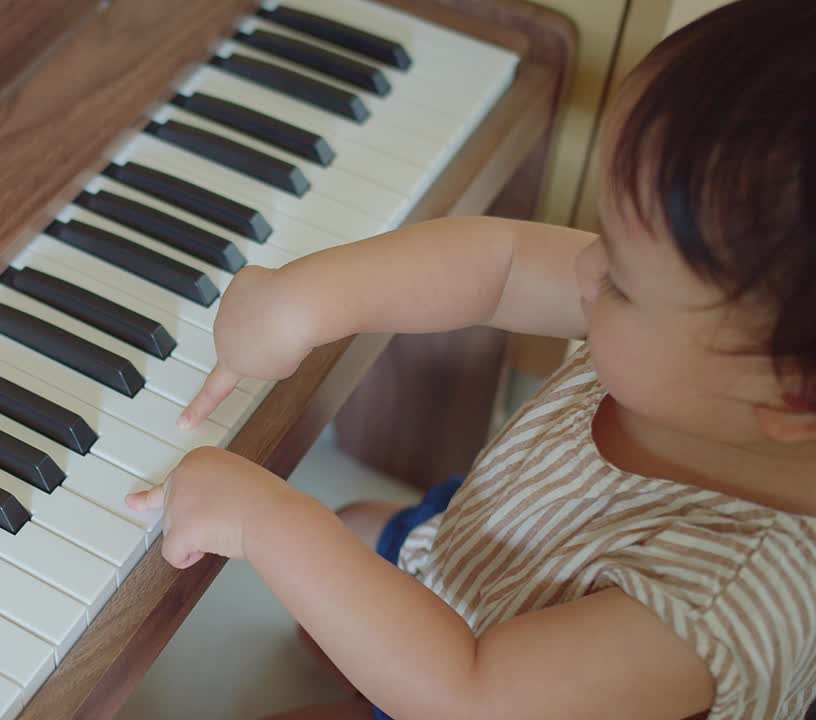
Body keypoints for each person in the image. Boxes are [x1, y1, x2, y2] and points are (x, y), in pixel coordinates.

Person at [125, 1, 816, 717]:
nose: (584, 269)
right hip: (479, 563)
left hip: (482, 688)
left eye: (621, 282)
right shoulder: (720, 358)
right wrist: (306, 301)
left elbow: (466, 695)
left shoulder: (724, 598)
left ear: (793, 398)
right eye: (602, 231)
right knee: (353, 538)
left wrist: (265, 520)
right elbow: (507, 263)